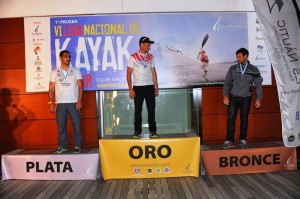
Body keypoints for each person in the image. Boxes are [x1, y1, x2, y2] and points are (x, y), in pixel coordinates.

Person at [222, 48, 263, 149]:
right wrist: (225, 95)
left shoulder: (254, 69)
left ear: (246, 56)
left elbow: (258, 84)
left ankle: (243, 139)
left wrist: (259, 98)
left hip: (246, 97)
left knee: (244, 119)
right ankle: (229, 140)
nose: (237, 59)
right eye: (237, 57)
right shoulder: (233, 68)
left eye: (239, 56)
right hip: (234, 97)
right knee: (231, 118)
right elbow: (227, 82)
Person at [49, 50, 83, 153]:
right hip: (60, 103)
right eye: (65, 56)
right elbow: (51, 89)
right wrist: (51, 102)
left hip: (74, 102)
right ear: (60, 58)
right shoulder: (54, 72)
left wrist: (79, 100)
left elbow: (81, 87)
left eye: (69, 57)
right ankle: (62, 146)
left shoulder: (76, 71)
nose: (68, 58)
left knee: (76, 125)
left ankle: (77, 146)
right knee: (61, 126)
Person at [127, 36, 159, 138]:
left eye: (149, 45)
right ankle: (137, 132)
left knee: (151, 110)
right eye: (148, 45)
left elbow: (153, 72)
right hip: (138, 87)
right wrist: (131, 89)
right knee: (138, 111)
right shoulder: (133, 57)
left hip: (150, 87)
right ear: (141, 45)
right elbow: (128, 74)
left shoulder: (151, 57)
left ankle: (153, 131)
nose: (149, 47)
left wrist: (156, 87)